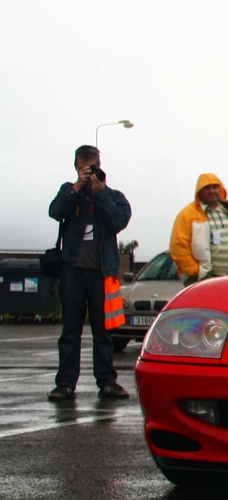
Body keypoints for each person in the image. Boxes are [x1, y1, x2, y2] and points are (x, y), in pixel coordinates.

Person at [47, 145, 132, 402]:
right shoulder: (68, 191)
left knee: (103, 332)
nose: (89, 172)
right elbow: (55, 211)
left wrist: (101, 192)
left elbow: (119, 221)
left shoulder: (113, 196)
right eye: (84, 167)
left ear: (100, 164)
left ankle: (107, 382)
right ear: (76, 166)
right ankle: (65, 384)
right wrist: (76, 188)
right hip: (72, 269)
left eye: (92, 166)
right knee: (70, 331)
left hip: (103, 272)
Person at [170, 173, 228, 285]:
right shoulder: (187, 215)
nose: (211, 191)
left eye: (215, 187)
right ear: (199, 191)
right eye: (207, 188)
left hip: (227, 277)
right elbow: (178, 246)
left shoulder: (227, 214)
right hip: (201, 278)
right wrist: (197, 271)